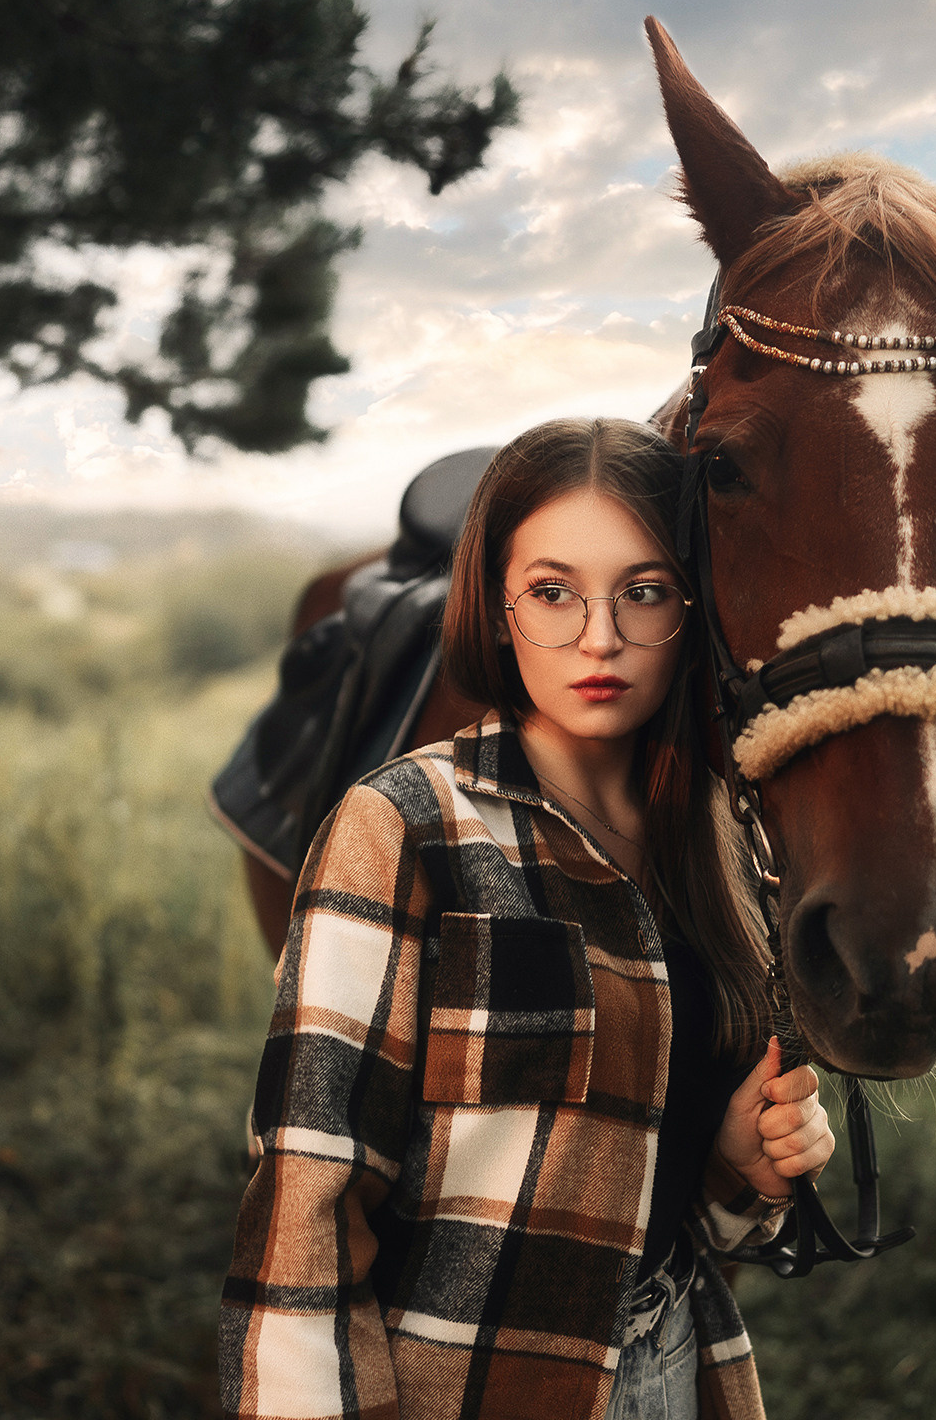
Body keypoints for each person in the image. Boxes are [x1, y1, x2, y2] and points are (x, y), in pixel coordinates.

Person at [220, 417, 836, 1420]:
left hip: (683, 1372)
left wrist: (736, 1169)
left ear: (695, 609)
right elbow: (306, 1215)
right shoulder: (401, 827)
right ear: (496, 607)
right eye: (552, 593)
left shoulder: (719, 840)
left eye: (642, 592)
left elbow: (666, 1205)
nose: (599, 638)